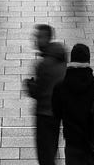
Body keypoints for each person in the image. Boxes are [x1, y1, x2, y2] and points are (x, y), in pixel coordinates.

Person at [52, 44, 94, 165]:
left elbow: (56, 113)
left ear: (72, 60)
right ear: (88, 60)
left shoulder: (60, 87)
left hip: (73, 144)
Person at [24, 25, 67, 165]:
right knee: (52, 150)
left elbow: (38, 92)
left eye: (39, 37)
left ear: (48, 38)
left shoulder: (44, 64)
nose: (36, 40)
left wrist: (29, 85)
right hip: (56, 113)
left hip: (45, 114)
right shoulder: (60, 56)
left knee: (45, 155)